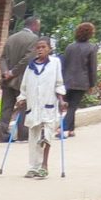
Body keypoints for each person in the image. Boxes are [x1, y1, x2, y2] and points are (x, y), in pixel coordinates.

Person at [18, 37, 67, 178]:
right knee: (33, 137)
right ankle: (33, 166)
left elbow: (59, 84)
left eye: (43, 47)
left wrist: (62, 100)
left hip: (49, 106)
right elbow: (24, 88)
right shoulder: (30, 67)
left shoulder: (55, 63)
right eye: (38, 47)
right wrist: (21, 99)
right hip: (33, 108)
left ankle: (44, 166)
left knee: (46, 136)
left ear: (49, 49)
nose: (40, 50)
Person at [0, 16, 40, 144]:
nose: (39, 28)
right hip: (22, 79)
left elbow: (3, 58)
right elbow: (28, 59)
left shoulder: (11, 37)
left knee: (6, 107)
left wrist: (6, 72)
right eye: (38, 25)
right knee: (24, 106)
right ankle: (22, 134)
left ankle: (3, 135)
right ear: (33, 25)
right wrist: (13, 72)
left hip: (7, 80)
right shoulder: (34, 39)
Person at [61, 22, 99, 137]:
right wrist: (92, 84)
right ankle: (62, 128)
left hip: (67, 81)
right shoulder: (91, 48)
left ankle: (71, 130)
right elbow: (92, 67)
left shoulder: (69, 47)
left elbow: (64, 64)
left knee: (70, 105)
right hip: (81, 82)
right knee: (73, 106)